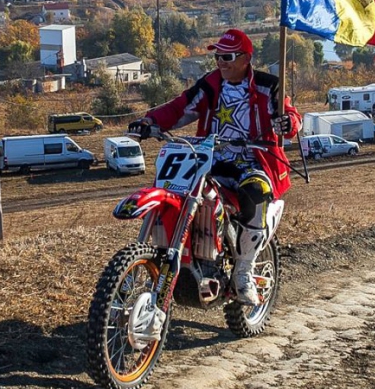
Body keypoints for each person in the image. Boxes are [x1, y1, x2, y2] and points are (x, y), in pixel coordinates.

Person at [129, 29, 301, 306]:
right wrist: (150, 121)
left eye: (228, 56)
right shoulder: (211, 83)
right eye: (218, 56)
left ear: (246, 58)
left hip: (252, 160)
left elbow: (290, 116)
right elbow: (181, 106)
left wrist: (288, 123)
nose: (221, 62)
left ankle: (244, 269)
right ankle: (180, 257)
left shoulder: (269, 85)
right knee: (181, 191)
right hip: (211, 158)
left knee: (256, 192)